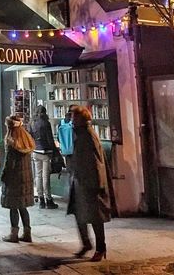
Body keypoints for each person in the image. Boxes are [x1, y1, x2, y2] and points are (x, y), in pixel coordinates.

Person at [67, 106, 111, 262]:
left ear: (81, 119)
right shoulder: (79, 133)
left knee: (95, 217)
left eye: (73, 117)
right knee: (79, 214)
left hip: (89, 182)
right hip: (80, 180)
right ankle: (86, 243)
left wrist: (96, 183)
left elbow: (96, 160)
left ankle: (100, 247)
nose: (71, 119)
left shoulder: (87, 134)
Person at [0, 115, 35, 243]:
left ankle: (13, 233)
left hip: (14, 178)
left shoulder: (12, 142)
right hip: (25, 177)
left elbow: (9, 163)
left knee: (13, 206)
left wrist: (4, 175)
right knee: (22, 206)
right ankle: (27, 232)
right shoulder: (26, 140)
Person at [29, 105, 58, 209]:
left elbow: (30, 137)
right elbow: (50, 139)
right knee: (46, 177)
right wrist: (55, 151)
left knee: (38, 175)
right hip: (46, 152)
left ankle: (41, 199)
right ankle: (48, 199)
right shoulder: (46, 124)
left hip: (35, 151)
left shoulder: (32, 123)